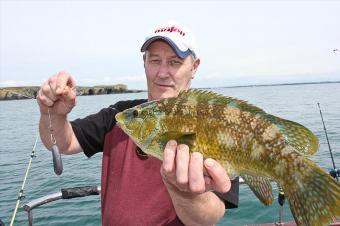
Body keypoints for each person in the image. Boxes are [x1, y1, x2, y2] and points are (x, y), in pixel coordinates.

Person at [37, 22, 239, 226]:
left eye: (174, 62)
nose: (162, 72)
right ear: (144, 62)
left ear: (194, 67)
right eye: (155, 60)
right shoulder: (122, 115)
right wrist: (52, 114)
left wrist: (184, 193)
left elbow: (208, 218)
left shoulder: (218, 123)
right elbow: (64, 143)